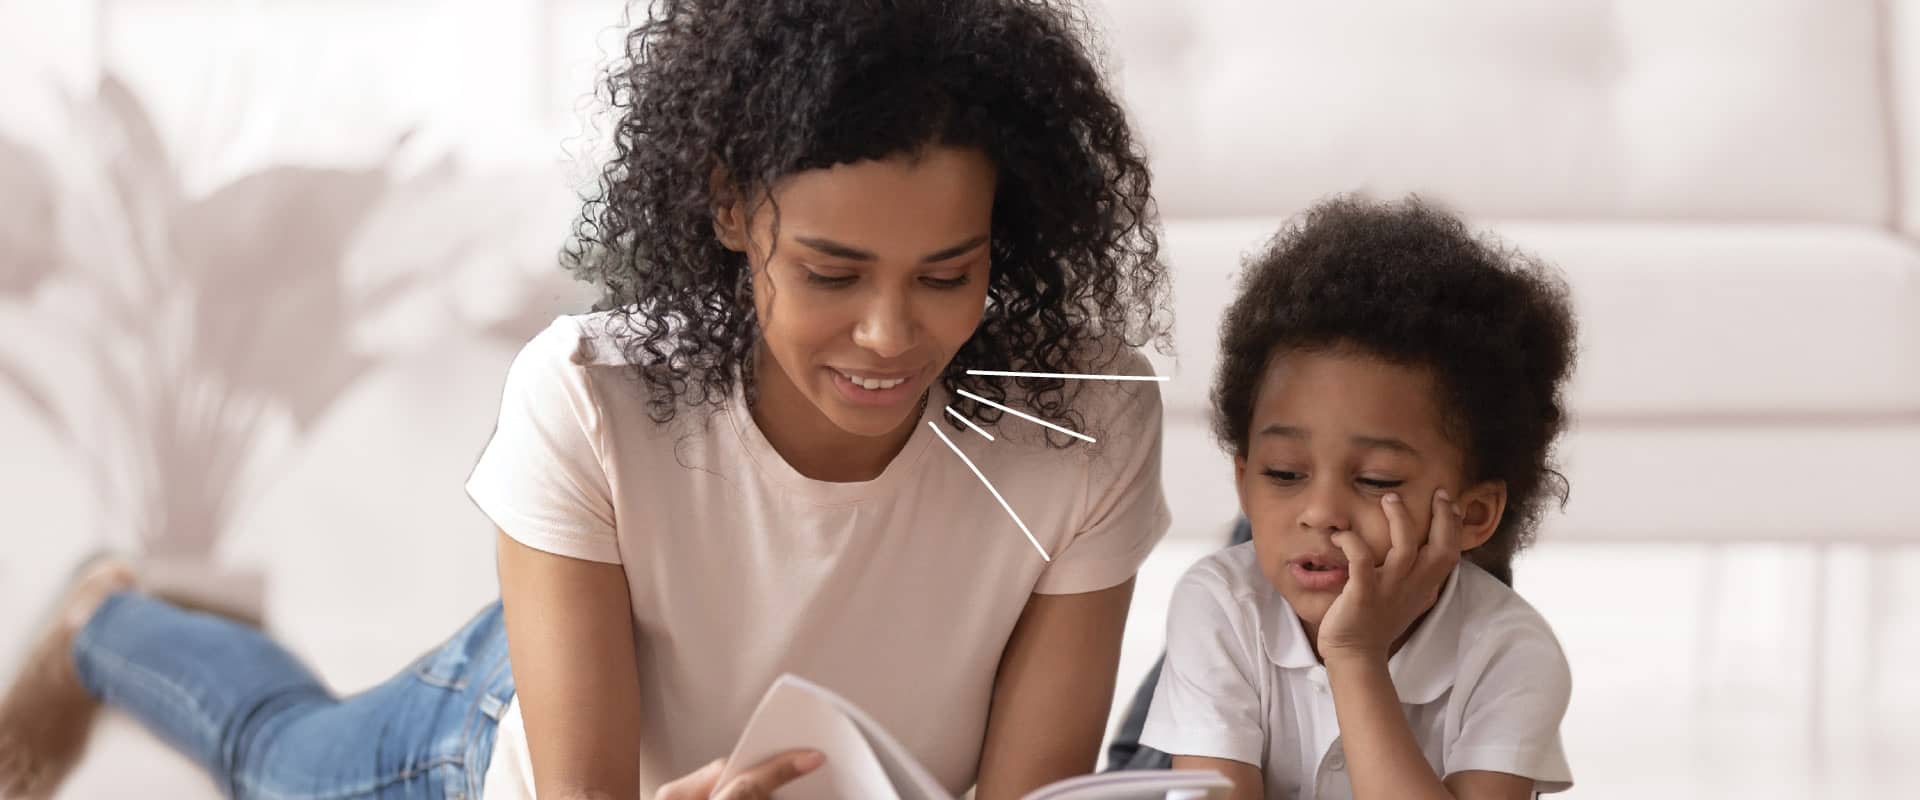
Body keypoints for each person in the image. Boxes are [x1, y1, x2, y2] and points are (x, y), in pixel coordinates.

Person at [0, 1, 1174, 798]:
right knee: (276, 752)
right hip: (533, 711)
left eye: (946, 274)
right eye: (830, 271)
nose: (888, 333)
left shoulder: (1086, 420)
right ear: (729, 209)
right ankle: (102, 618)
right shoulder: (592, 393)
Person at [1137, 196, 1578, 799]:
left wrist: (1355, 657)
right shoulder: (1220, 604)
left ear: (1472, 514)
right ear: (1243, 478)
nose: (1321, 511)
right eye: (1284, 472)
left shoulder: (1512, 654)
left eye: (1377, 481)